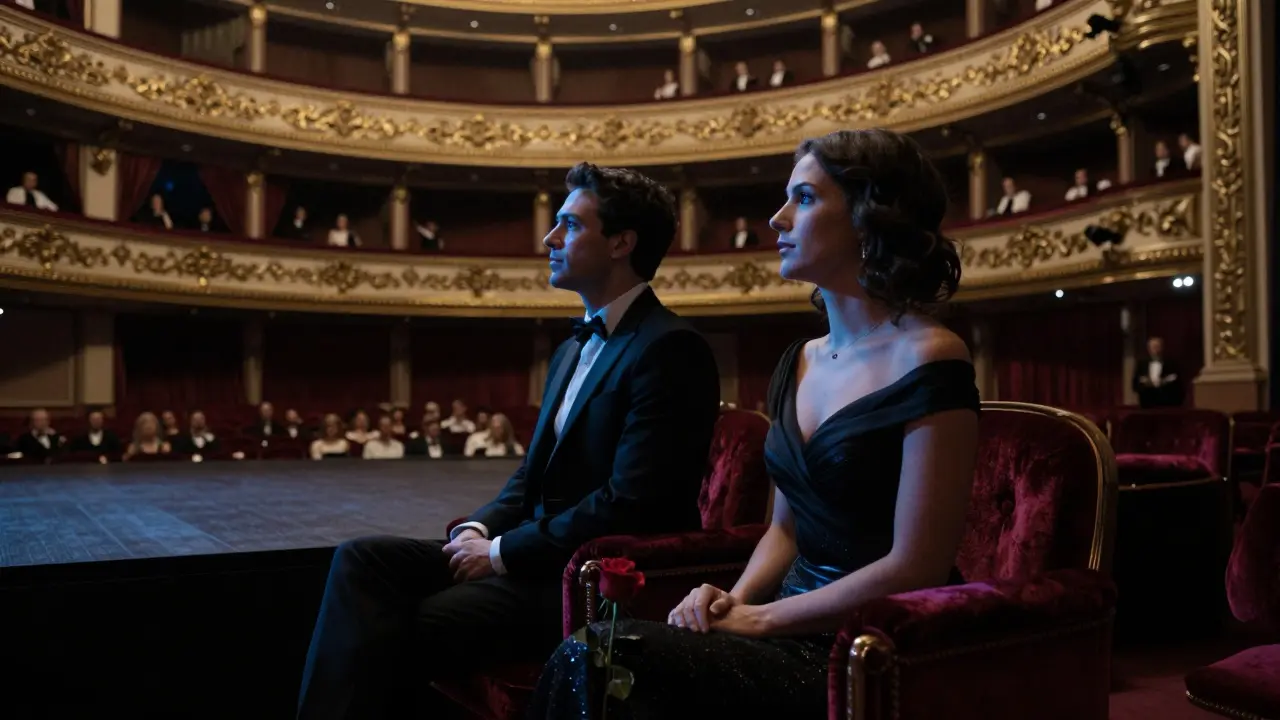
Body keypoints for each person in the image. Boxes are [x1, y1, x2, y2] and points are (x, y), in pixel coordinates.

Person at [528, 129, 981, 719]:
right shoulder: (800, 360)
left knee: (596, 657)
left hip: (872, 645)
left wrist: (758, 619)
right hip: (784, 623)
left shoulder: (932, 355)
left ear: (871, 219)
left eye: (806, 199)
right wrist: (730, 601)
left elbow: (915, 565)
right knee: (604, 656)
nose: (777, 218)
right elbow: (784, 534)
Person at [297, 161, 722, 719]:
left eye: (569, 225)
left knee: (411, 620)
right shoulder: (572, 348)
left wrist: (499, 554)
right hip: (534, 551)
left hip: (584, 575)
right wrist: (480, 527)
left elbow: (629, 501)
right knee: (362, 561)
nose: (549, 238)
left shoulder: (671, 348)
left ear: (621, 242)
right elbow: (533, 474)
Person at [1133, 336, 1183, 407]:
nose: (1155, 350)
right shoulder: (1141, 363)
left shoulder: (1171, 363)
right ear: (1149, 349)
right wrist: (1145, 383)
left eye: (1157, 347)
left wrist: (1164, 381)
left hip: (1166, 399)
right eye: (1153, 347)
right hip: (1147, 399)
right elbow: (1136, 380)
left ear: (1162, 347)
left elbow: (1177, 379)